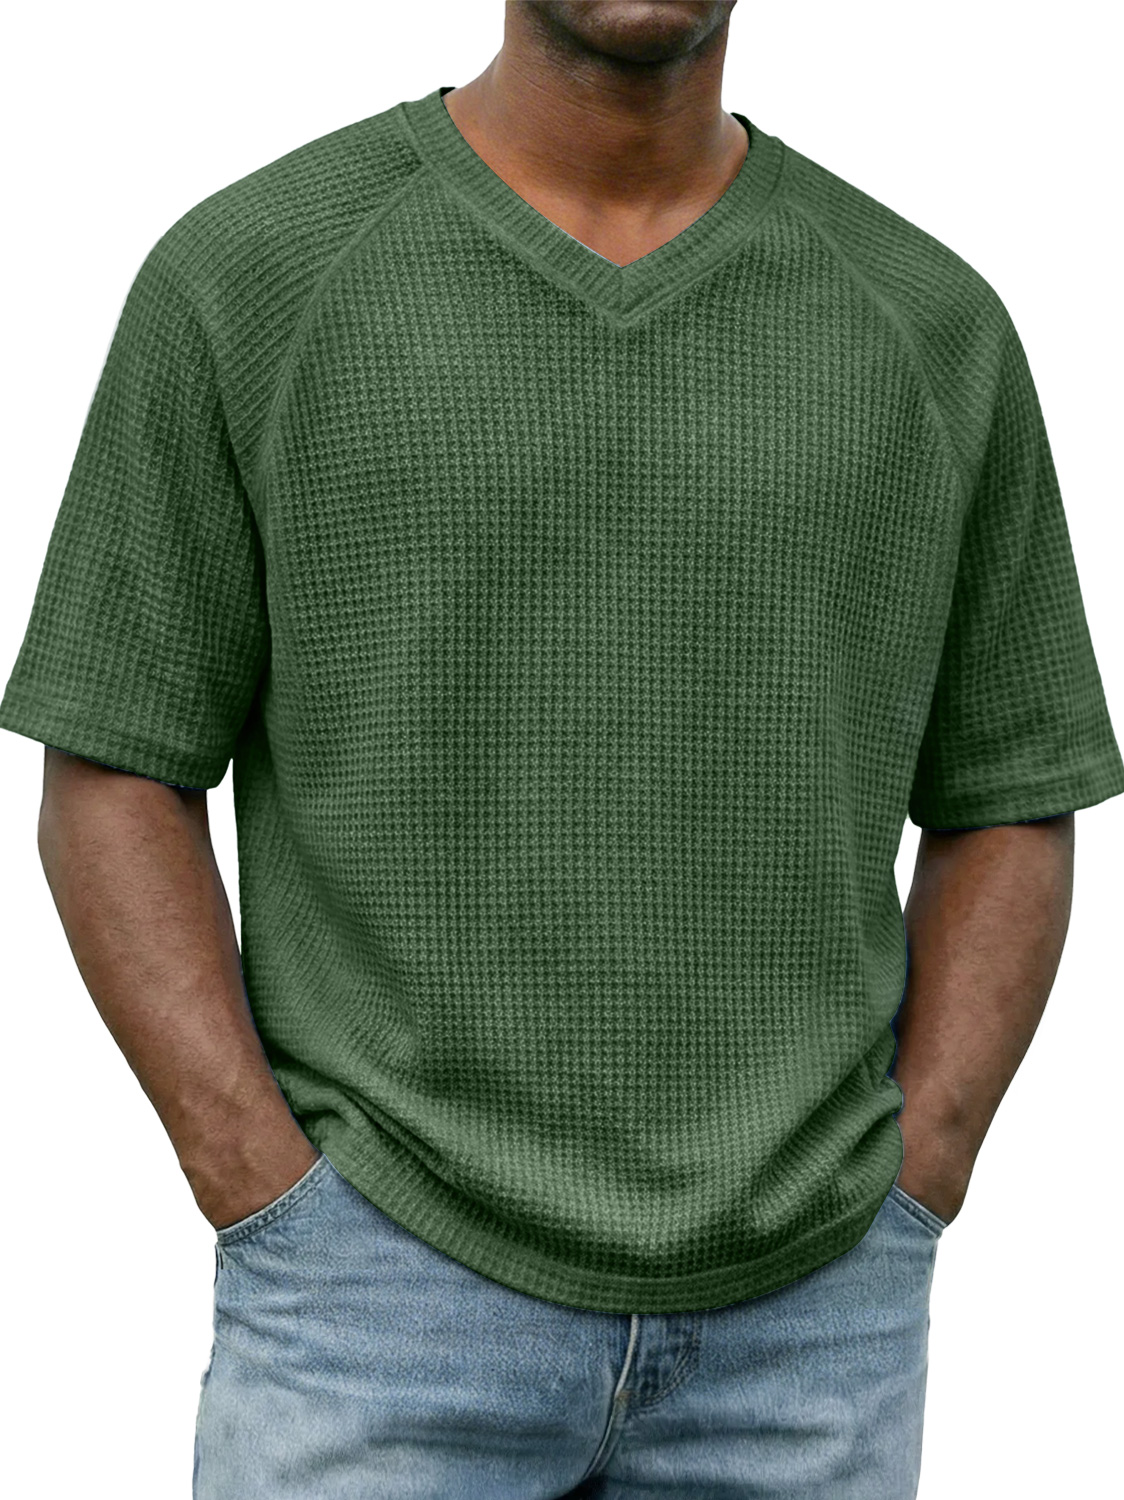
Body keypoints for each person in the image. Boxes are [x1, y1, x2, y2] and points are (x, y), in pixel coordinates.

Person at [2, 1, 1121, 1495]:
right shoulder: (251, 276)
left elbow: (1013, 788)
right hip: (369, 1310)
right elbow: (116, 764)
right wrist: (258, 1180)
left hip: (810, 1328)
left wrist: (924, 1176)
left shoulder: (930, 323)